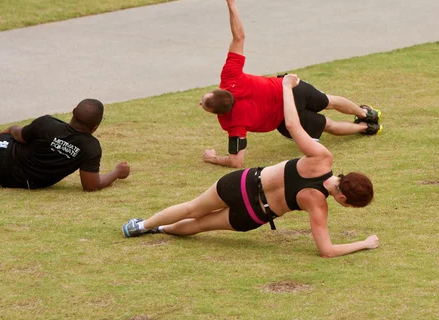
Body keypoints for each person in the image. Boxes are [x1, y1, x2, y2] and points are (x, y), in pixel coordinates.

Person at [123, 74, 379, 258]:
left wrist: (286, 87)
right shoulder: (318, 205)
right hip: (253, 214)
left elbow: (292, 125)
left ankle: (142, 225)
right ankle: (160, 228)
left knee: (192, 207)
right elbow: (327, 251)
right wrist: (364, 243)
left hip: (241, 183)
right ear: (343, 197)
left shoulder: (322, 158)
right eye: (348, 205)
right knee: (200, 225)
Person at [200, 0, 382, 169]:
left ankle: (366, 128)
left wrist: (213, 158)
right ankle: (367, 114)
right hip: (291, 87)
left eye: (204, 103)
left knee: (328, 125)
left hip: (286, 116)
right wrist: (230, 0)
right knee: (329, 101)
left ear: (218, 113)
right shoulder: (230, 76)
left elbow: (237, 161)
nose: (200, 101)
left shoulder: (232, 123)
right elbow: (239, 37)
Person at [0, 99, 130, 191]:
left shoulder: (46, 123)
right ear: (94, 127)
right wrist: (116, 172)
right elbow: (91, 186)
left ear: (73, 111)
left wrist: (11, 128)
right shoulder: (90, 147)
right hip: (24, 182)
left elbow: (19, 136)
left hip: (2, 159)